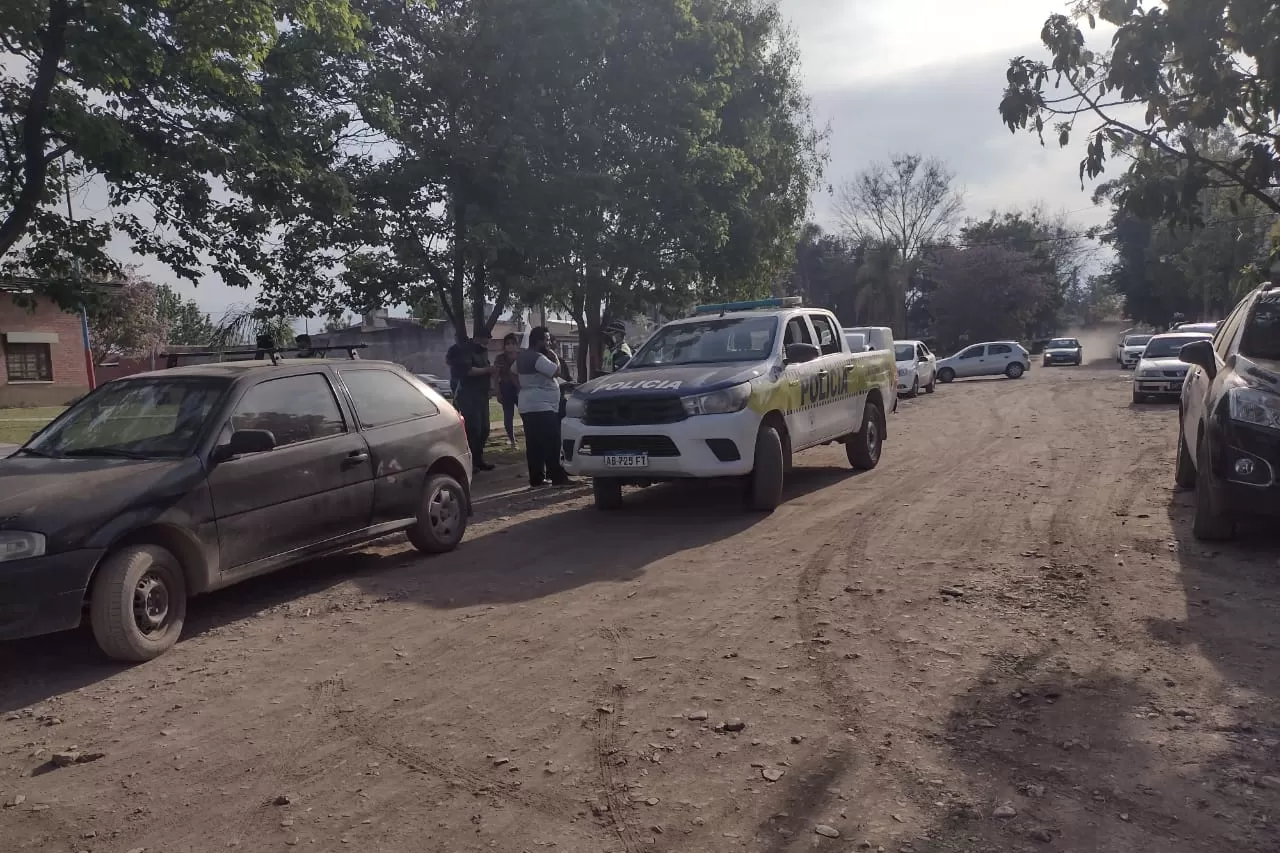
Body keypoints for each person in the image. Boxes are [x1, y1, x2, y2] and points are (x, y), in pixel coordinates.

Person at [516, 326, 571, 487]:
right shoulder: (538, 357)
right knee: (551, 443)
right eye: (546, 340)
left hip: (527, 405)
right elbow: (556, 371)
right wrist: (554, 356)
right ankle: (558, 478)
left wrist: (524, 386)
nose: (548, 343)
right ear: (538, 341)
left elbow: (512, 372)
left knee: (534, 445)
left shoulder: (521, 357)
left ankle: (537, 479)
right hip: (542, 406)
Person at [450, 329, 496, 472]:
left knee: (484, 429)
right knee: (472, 429)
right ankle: (470, 462)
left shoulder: (483, 352)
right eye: (484, 338)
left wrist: (490, 387)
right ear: (476, 338)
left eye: (488, 339)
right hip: (468, 395)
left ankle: (479, 459)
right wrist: (488, 370)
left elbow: (488, 371)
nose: (487, 342)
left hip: (481, 394)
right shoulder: (464, 351)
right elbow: (468, 371)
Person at [492, 333, 521, 447]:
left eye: (513, 343)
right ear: (504, 346)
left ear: (516, 345)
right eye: (508, 344)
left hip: (519, 388)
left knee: (524, 413)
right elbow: (496, 376)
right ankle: (512, 439)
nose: (510, 346)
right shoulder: (500, 358)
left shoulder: (520, 356)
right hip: (506, 388)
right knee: (508, 415)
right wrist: (498, 392)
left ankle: (529, 436)